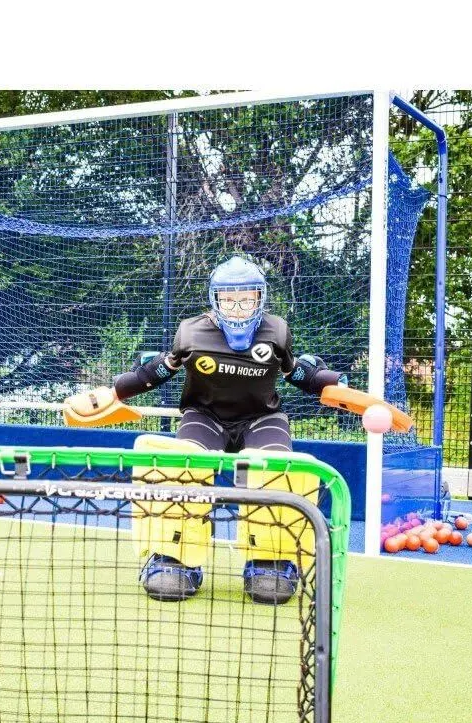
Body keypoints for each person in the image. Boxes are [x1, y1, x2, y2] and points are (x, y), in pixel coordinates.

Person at [106, 254, 343, 604]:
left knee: (277, 470)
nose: (238, 308)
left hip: (262, 419)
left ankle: (270, 561)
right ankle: (174, 557)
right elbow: (158, 370)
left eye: (247, 299)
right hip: (205, 418)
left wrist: (339, 387)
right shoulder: (191, 332)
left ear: (260, 297)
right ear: (215, 299)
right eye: (229, 300)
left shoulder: (277, 330)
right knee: (180, 465)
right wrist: (113, 392)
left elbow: (297, 373)